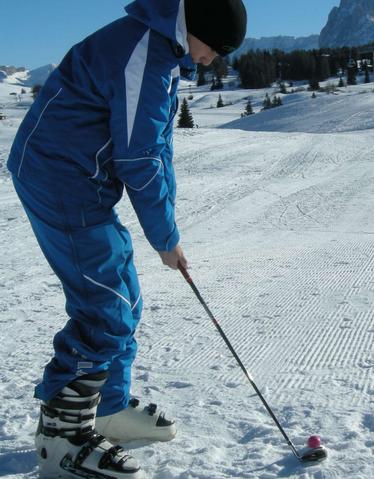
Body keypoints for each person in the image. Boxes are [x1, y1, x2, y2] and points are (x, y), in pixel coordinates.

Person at [7, 0, 247, 477]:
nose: (212, 60)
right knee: (106, 307)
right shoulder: (146, 54)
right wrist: (164, 239)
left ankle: (107, 408)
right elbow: (138, 160)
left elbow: (156, 146)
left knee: (122, 296)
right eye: (215, 48)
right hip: (61, 180)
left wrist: (167, 228)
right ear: (193, 27)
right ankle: (61, 437)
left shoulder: (157, 49)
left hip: (76, 179)